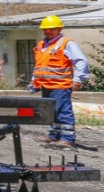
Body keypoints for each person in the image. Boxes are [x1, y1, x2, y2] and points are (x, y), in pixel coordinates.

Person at [28, 15, 88, 150]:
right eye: (46, 29)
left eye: (52, 29)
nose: (48, 31)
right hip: (45, 85)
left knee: (63, 111)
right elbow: (39, 65)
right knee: (51, 112)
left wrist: (78, 79)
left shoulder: (66, 43)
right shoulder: (42, 45)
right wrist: (34, 81)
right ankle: (54, 135)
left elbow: (81, 61)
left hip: (60, 86)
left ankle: (67, 138)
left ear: (59, 28)